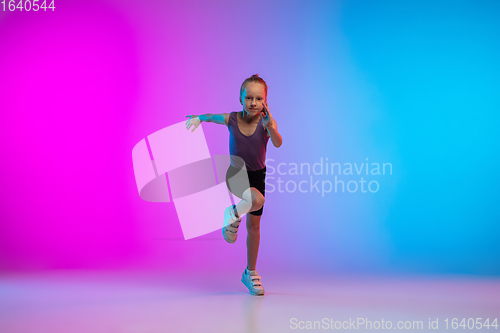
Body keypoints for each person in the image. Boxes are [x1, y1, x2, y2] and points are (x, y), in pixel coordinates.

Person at [185, 74, 282, 296]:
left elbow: (277, 142)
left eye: (259, 99)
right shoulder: (232, 119)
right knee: (256, 199)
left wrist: (271, 128)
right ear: (241, 99)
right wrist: (199, 118)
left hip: (258, 176)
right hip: (237, 174)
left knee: (254, 227)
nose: (254, 103)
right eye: (249, 98)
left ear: (265, 101)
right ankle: (232, 213)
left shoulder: (268, 122)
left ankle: (250, 272)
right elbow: (213, 116)